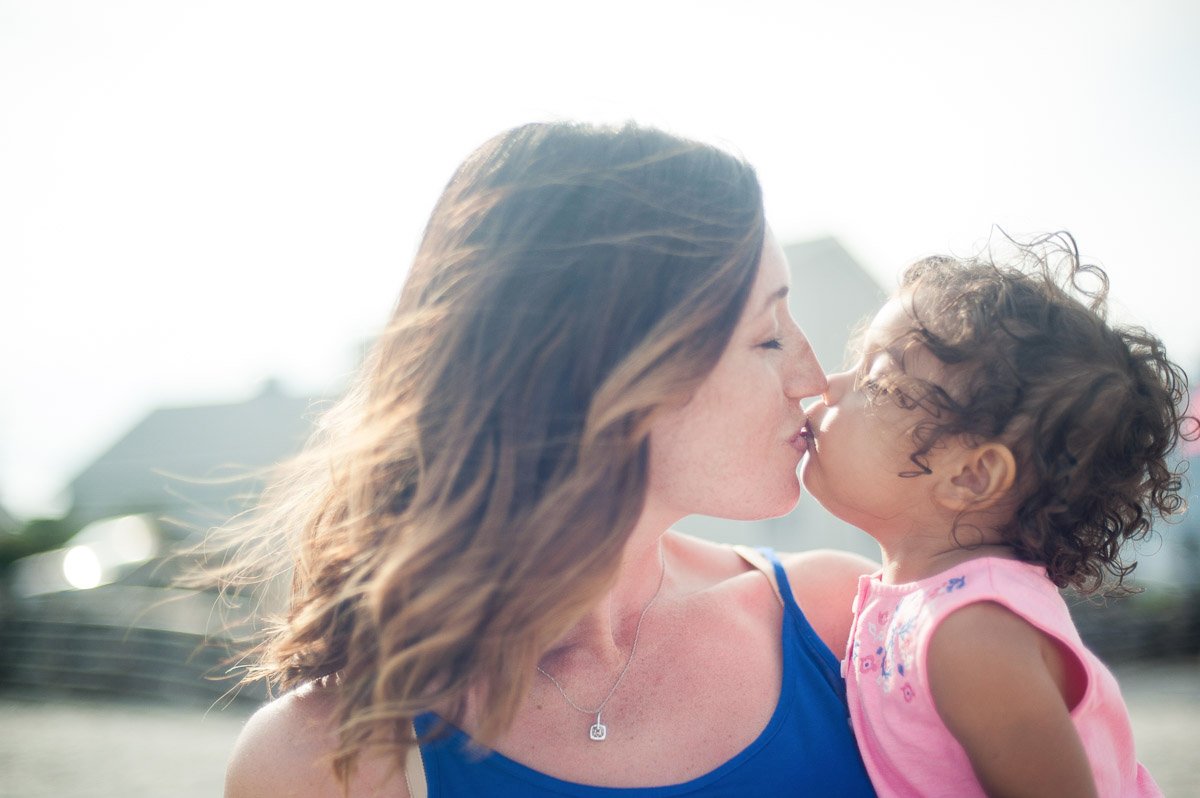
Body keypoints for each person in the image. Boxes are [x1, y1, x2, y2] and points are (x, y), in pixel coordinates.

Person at [220, 121, 878, 797]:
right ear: (606, 366)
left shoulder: (852, 625)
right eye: (769, 337)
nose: (813, 379)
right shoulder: (329, 761)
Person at [799, 236, 1191, 797]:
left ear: (970, 476)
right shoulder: (932, 604)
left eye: (876, 380)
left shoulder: (972, 632)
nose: (828, 387)